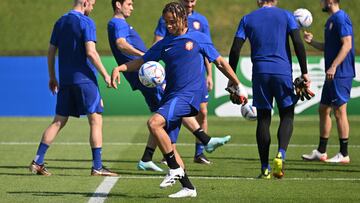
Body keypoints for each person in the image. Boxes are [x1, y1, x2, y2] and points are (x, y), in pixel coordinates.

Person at [111, 2, 247, 198]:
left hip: (188, 95)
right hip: (171, 95)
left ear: (183, 18)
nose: (169, 26)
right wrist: (120, 68)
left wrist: (237, 83)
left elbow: (220, 62)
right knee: (169, 144)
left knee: (154, 123)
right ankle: (188, 187)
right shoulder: (165, 43)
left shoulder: (199, 38)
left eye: (172, 21)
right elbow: (142, 61)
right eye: (166, 22)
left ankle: (174, 168)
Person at [29, 0, 117, 177]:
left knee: (58, 121)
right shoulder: (86, 22)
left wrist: (53, 77)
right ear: (85, 2)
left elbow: (51, 51)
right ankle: (97, 167)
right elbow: (91, 52)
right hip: (85, 80)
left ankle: (37, 161)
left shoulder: (60, 22)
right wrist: (106, 75)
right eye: (92, 4)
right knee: (95, 120)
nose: (92, 8)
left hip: (66, 80)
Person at [229, 0, 310, 179]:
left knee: (264, 119)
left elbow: (235, 50)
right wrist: (305, 72)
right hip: (282, 72)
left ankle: (264, 169)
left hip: (260, 72)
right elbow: (298, 43)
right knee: (287, 114)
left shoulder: (247, 18)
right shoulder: (286, 15)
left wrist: (231, 78)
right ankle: (281, 153)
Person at [153, 0, 214, 164]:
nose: (190, 2)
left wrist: (209, 75)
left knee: (203, 112)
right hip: (178, 77)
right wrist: (155, 68)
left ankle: (199, 152)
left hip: (198, 75)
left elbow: (206, 50)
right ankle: (171, 155)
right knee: (170, 115)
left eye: (192, 0)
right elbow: (158, 42)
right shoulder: (168, 18)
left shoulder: (202, 21)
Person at [302, 0, 355, 164]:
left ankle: (344, 153)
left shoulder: (341, 18)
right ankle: (321, 151)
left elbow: (347, 44)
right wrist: (312, 43)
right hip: (332, 74)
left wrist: (333, 66)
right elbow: (329, 46)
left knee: (340, 111)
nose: (321, 3)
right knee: (324, 109)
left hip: (340, 73)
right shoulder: (331, 20)